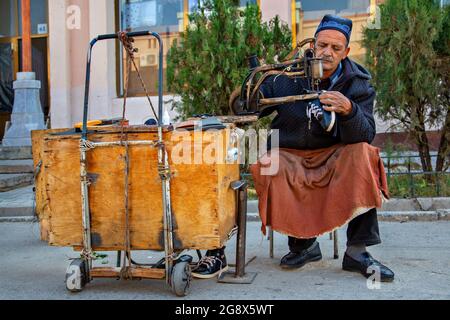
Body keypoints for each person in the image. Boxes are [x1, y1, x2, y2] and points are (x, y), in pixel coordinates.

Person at [249, 14, 394, 282]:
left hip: (333, 156)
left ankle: (357, 252)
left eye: (336, 48)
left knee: (363, 154)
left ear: (346, 52)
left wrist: (349, 110)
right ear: (312, 44)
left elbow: (366, 134)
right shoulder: (288, 75)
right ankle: (304, 246)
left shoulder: (357, 82)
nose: (327, 53)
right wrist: (253, 85)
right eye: (322, 45)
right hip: (291, 153)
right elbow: (250, 109)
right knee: (272, 162)